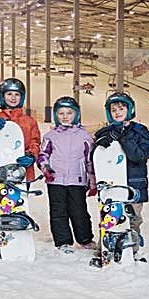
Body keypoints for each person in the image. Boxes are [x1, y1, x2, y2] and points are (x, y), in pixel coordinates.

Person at [0, 78, 41, 260]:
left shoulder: (29, 122)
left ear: (22, 97)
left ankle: (18, 242)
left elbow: (36, 142)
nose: (13, 98)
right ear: (2, 96)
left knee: (19, 207)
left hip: (22, 174)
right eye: (9, 94)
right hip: (0, 174)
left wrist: (31, 156)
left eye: (16, 94)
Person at [93, 92, 149, 262]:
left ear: (130, 109)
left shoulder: (140, 132)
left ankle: (131, 250)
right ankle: (105, 248)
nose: (117, 112)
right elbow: (98, 159)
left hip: (133, 186)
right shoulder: (104, 133)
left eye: (121, 108)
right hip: (112, 186)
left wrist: (124, 137)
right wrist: (101, 144)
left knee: (132, 219)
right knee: (110, 218)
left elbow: (139, 155)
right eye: (113, 110)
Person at [37, 96, 97, 254]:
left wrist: (92, 182)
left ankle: (85, 239)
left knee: (79, 211)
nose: (65, 116)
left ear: (76, 114)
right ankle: (63, 241)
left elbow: (90, 159)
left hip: (77, 180)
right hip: (55, 180)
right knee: (58, 212)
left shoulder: (84, 136)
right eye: (61, 113)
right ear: (56, 115)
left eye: (69, 113)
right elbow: (43, 155)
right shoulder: (50, 136)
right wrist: (46, 169)